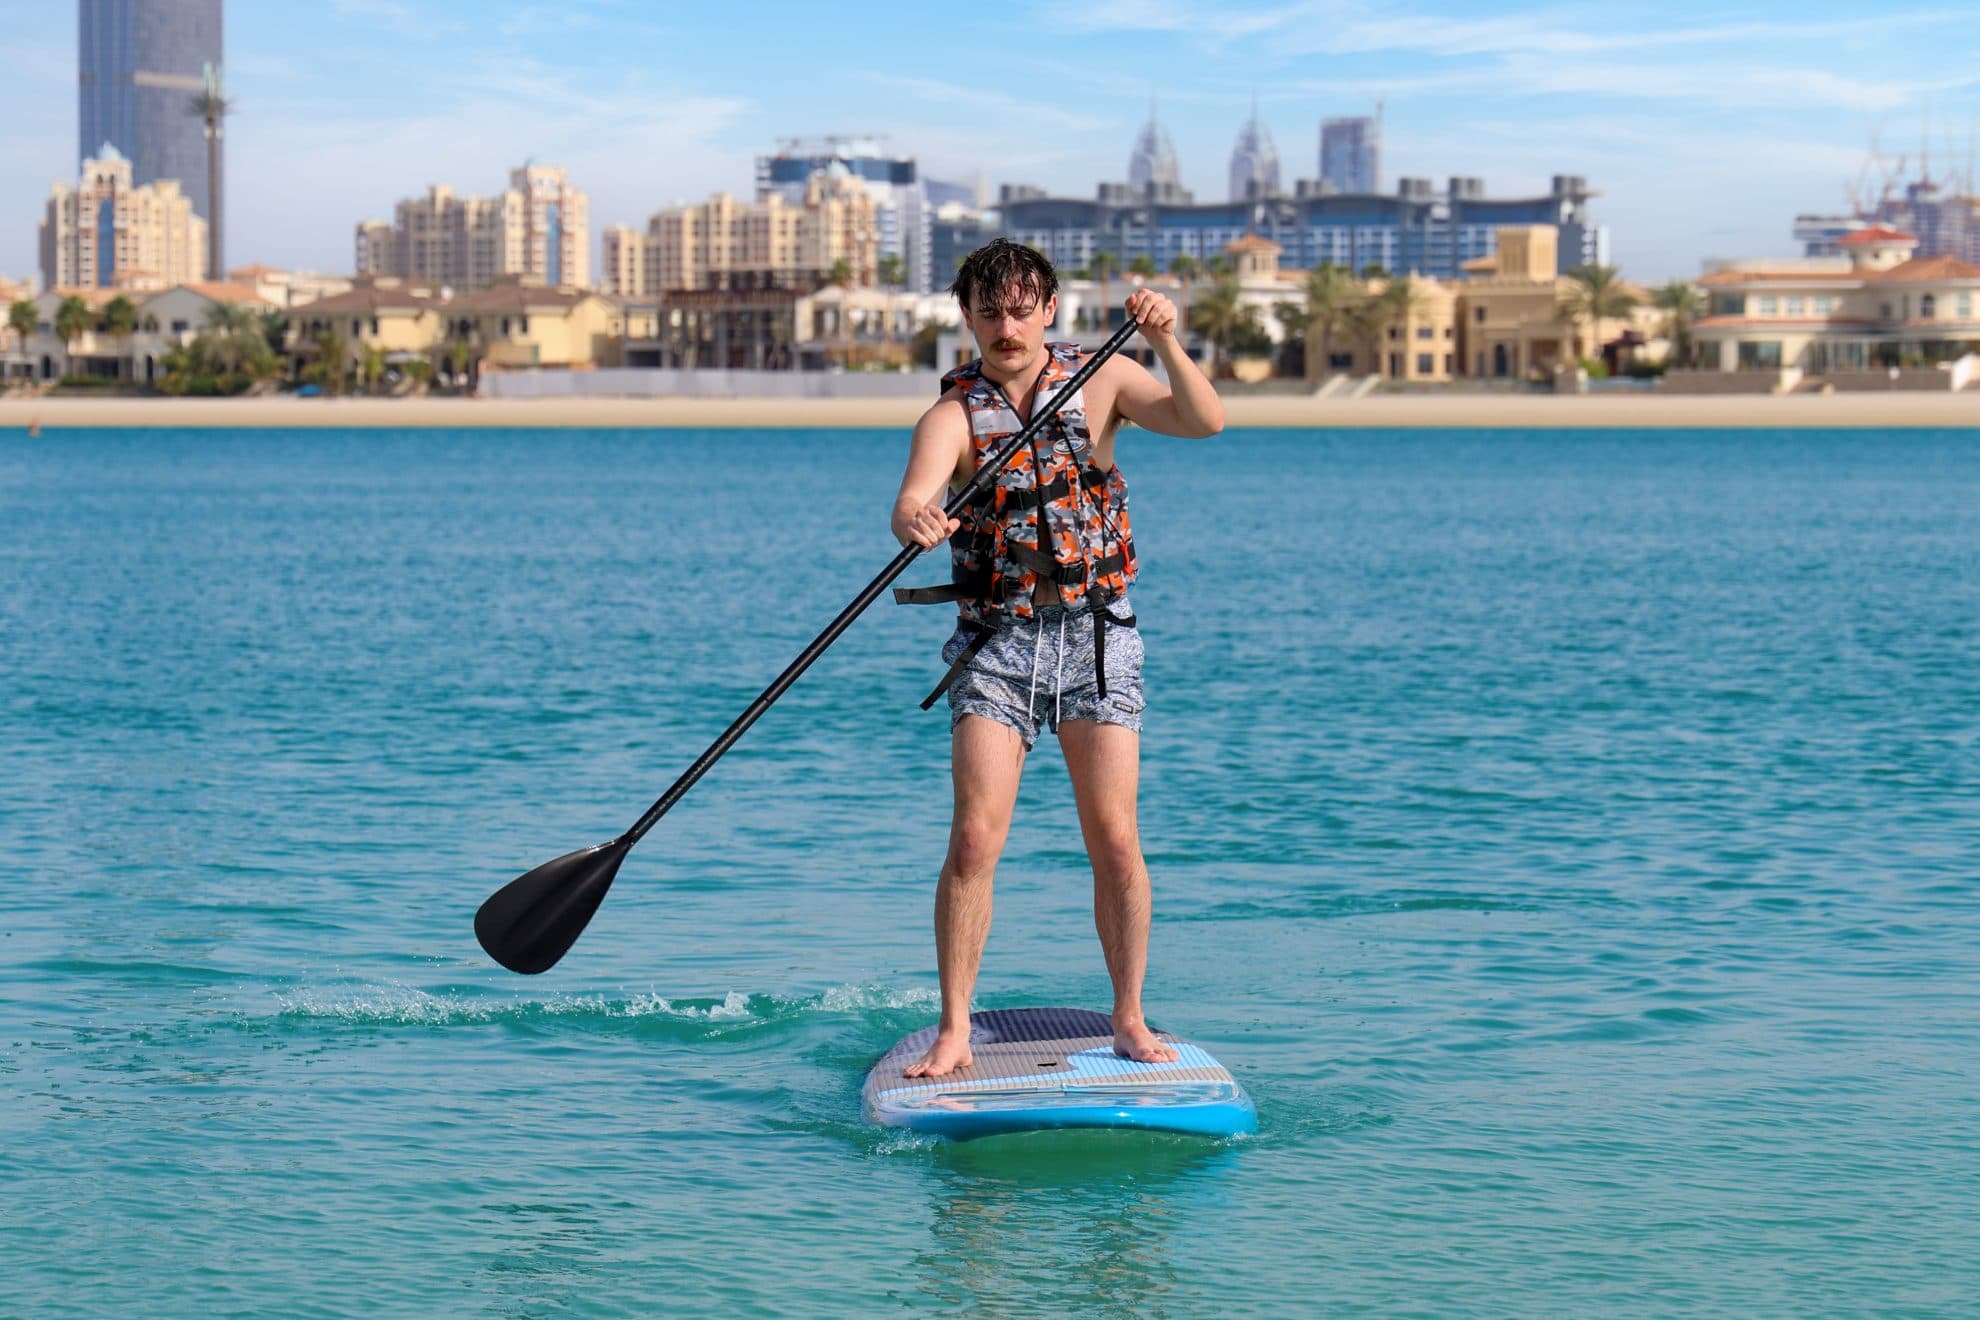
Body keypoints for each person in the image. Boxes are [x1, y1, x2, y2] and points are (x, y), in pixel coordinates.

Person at [888, 239, 1224, 1077]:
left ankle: (1129, 1018)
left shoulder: (1103, 380)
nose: (1007, 326)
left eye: (1021, 308)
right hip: (998, 647)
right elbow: (910, 502)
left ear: (1048, 310)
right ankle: (956, 1029)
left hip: (1098, 638)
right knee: (973, 840)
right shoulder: (952, 416)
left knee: (1115, 839)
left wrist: (1168, 341)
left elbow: (1205, 419)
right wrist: (917, 521)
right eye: (989, 310)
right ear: (967, 316)